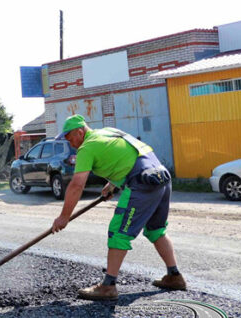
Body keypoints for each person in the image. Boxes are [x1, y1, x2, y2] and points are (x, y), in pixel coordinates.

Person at [51, 115, 185, 300]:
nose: (69, 143)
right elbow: (128, 155)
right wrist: (113, 184)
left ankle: (108, 286)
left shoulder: (87, 148)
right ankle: (174, 276)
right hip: (160, 175)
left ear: (80, 132)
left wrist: (64, 216)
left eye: (69, 138)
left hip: (142, 183)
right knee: (156, 230)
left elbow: (76, 185)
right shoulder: (108, 132)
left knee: (118, 233)